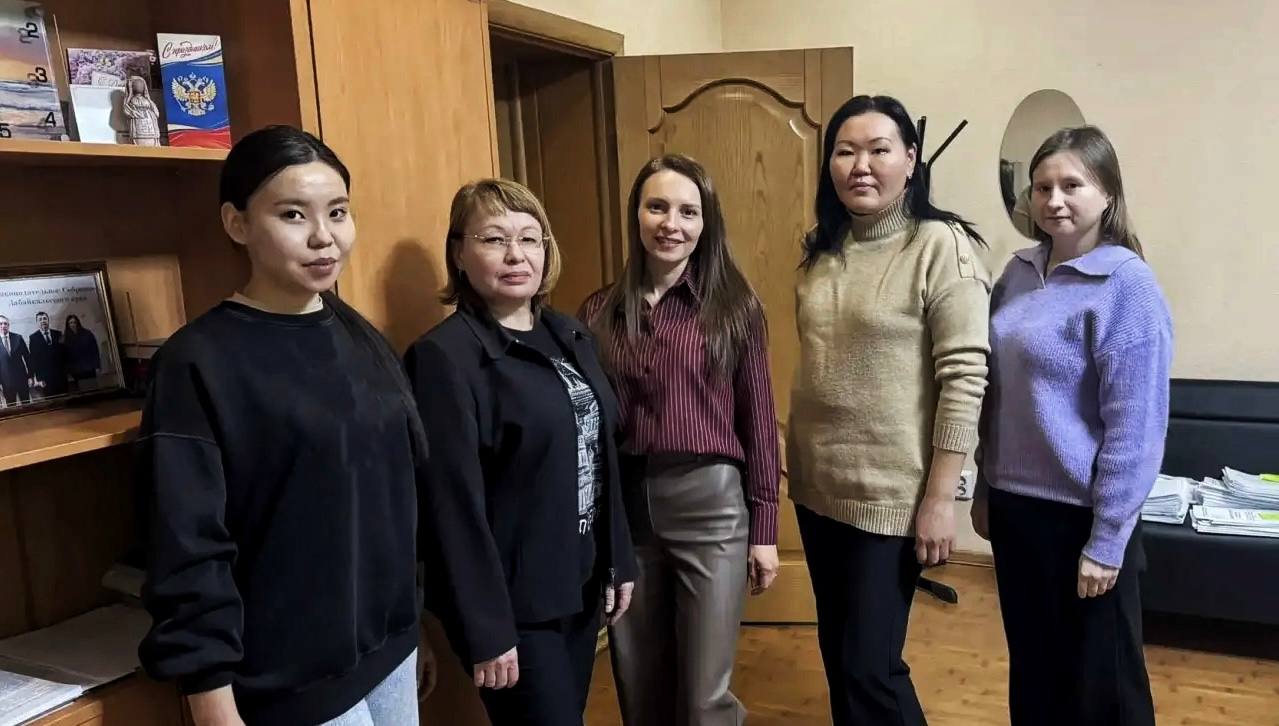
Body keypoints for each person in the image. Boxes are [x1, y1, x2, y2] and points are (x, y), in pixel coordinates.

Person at [137, 125, 434, 726]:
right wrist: (211, 699)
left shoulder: (355, 331)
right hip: (288, 679)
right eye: (293, 214)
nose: (324, 237)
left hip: (388, 651)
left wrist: (413, 626)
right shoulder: (198, 362)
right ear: (237, 223)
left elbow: (391, 501)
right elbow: (187, 545)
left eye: (338, 213)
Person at [788, 95, 991, 726]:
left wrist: (940, 499)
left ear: (910, 159)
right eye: (845, 151)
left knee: (871, 666)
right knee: (838, 654)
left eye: (879, 149)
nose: (861, 165)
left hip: (891, 495)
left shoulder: (940, 246)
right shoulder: (822, 251)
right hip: (818, 488)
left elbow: (964, 377)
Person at [406, 178, 636, 725]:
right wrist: (485, 629)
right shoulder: (444, 358)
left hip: (579, 586)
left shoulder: (568, 335)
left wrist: (617, 558)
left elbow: (601, 455)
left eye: (530, 239)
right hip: (514, 608)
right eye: (494, 239)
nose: (516, 254)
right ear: (459, 254)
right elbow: (450, 509)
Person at [972, 125, 1169, 726]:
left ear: (1107, 193)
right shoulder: (1016, 274)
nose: (1054, 200)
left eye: (1071, 186)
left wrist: (1107, 541)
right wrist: (985, 488)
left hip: (1082, 518)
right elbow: (995, 395)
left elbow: (1135, 429)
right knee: (1035, 676)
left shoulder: (1127, 286)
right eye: (1042, 187)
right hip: (1016, 512)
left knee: (1102, 689)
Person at [579, 154, 781, 726]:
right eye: (658, 207)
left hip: (711, 507)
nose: (672, 223)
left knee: (702, 695)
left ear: (705, 222)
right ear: (636, 216)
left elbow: (760, 421)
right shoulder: (598, 311)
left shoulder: (735, 308)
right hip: (628, 510)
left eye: (688, 211)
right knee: (639, 684)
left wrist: (765, 529)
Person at [28, 311, 68, 397]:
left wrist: (66, 371)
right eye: (40, 319)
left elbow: (64, 354)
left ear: (48, 320)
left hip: (61, 375)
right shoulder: (33, 338)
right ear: (37, 322)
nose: (43, 321)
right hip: (46, 378)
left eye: (45, 318)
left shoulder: (58, 334)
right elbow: (34, 359)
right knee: (51, 400)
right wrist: (39, 379)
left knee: (65, 398)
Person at [0, 315, 33, 405]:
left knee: (27, 405)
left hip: (22, 380)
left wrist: (30, 376)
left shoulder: (18, 338)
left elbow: (28, 358)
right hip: (6, 383)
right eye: (0, 324)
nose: (3, 326)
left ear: (8, 325)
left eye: (5, 323)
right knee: (12, 408)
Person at [63, 314, 101, 388]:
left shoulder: (87, 334)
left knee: (93, 387)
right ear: (68, 325)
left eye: (74, 322)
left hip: (89, 368)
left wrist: (97, 366)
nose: (73, 324)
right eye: (70, 323)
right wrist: (68, 372)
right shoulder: (65, 339)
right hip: (76, 371)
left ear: (78, 323)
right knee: (82, 389)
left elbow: (95, 351)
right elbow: (65, 357)